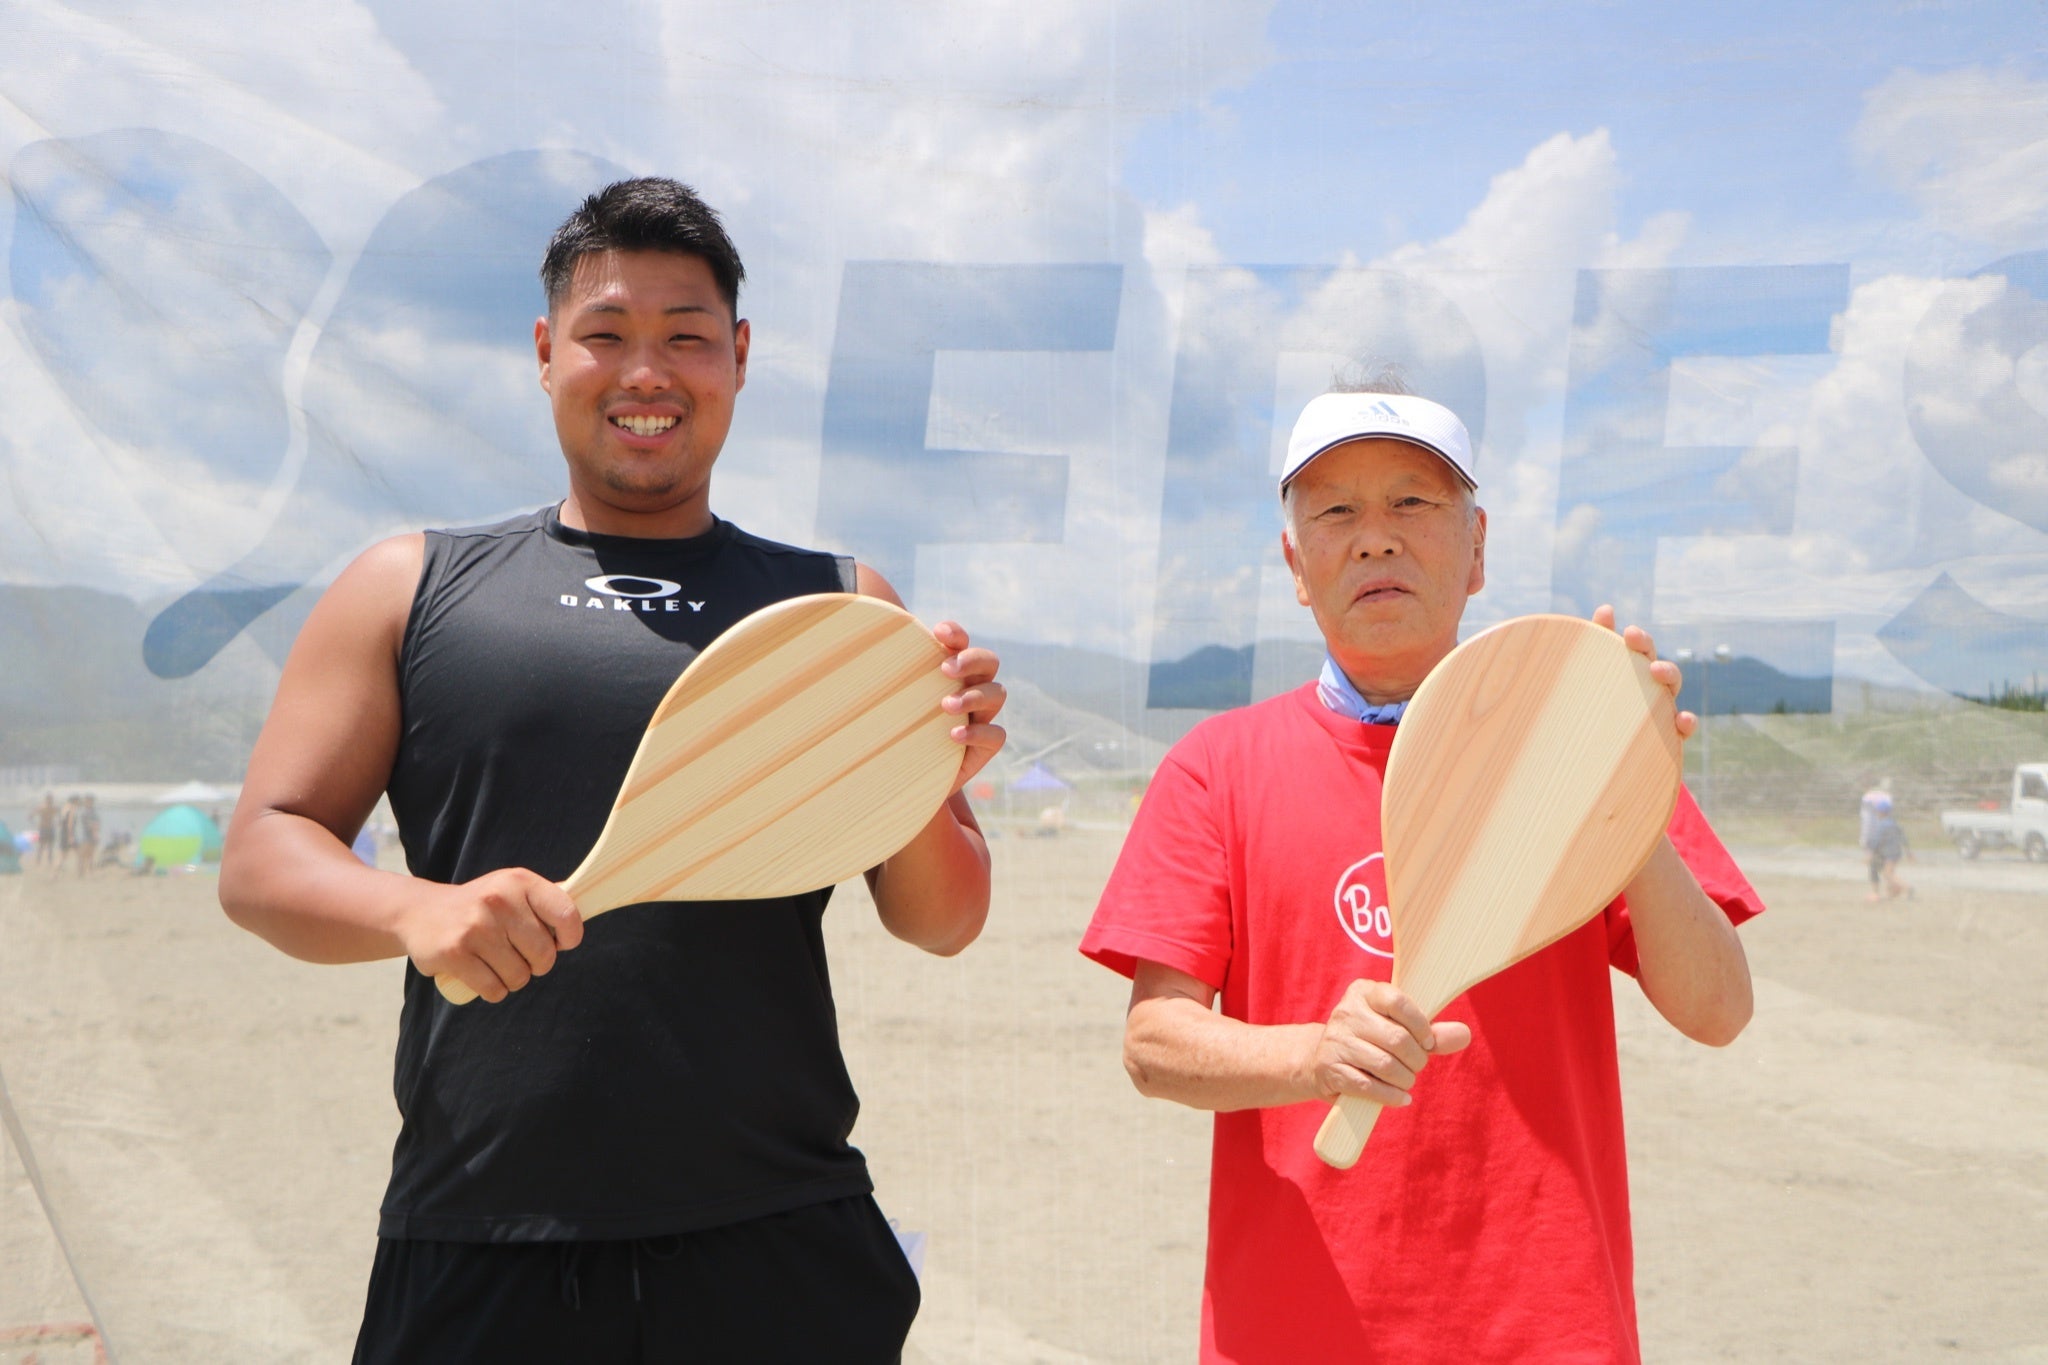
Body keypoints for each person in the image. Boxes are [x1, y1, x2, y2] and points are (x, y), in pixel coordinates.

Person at [220, 177, 1007, 1363]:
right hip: (481, 1235)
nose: (647, 373)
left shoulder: (838, 610)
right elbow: (263, 857)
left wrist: (909, 762)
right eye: (606, 336)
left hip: (778, 1240)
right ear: (545, 353)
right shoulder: (409, 585)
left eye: (686, 338)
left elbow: (942, 922)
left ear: (739, 358)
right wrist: (418, 910)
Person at [1080, 385, 1761, 1363]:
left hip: (1547, 1331)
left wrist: (1627, 802)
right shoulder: (1215, 767)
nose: (1374, 539)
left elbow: (1717, 1009)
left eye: (1411, 503)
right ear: (1294, 563)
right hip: (1287, 1331)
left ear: (1476, 547)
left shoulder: (1571, 742)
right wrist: (1312, 1057)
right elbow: (1153, 1045)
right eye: (1335, 512)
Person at [1867, 794, 1911, 900]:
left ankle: (1907, 888)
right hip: (1896, 853)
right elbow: (1904, 838)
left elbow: (1876, 841)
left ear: (1881, 812)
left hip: (1888, 853)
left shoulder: (1882, 825)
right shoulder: (1894, 823)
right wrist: (1909, 852)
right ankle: (1892, 892)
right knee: (1888, 873)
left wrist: (1870, 851)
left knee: (1888, 873)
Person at [31, 793, 58, 869]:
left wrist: (57, 823)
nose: (50, 801)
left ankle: (49, 861)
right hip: (43, 828)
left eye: (51, 800)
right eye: (49, 800)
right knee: (41, 846)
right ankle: (38, 860)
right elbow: (31, 816)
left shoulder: (53, 808)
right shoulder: (42, 808)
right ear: (46, 800)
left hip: (50, 828)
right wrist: (36, 824)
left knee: (50, 846)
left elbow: (60, 816)